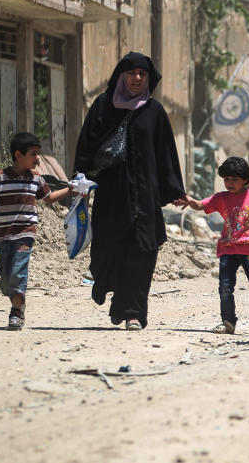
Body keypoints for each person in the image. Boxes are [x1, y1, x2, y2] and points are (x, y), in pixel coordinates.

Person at [73, 52, 185, 331]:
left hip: (144, 195)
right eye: (132, 73)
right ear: (121, 75)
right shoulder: (103, 105)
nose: (137, 78)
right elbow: (86, 144)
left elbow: (166, 153)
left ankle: (133, 311)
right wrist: (81, 178)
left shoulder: (154, 111)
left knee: (143, 251)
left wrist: (174, 189)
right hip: (112, 194)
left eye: (142, 74)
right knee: (111, 249)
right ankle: (118, 298)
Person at [177, 158, 249, 335]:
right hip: (228, 250)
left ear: (245, 180)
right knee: (225, 287)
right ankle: (228, 322)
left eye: (234, 179)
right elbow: (201, 205)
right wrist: (189, 200)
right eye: (226, 179)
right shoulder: (221, 198)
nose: (229, 183)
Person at [0, 132, 72, 330]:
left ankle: (16, 313)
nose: (38, 158)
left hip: (25, 234)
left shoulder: (36, 179)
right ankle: (17, 300)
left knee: (18, 272)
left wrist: (71, 189)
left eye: (38, 153)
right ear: (18, 155)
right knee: (6, 282)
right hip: (3, 236)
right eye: (34, 153)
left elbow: (49, 197)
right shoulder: (0, 177)